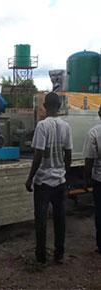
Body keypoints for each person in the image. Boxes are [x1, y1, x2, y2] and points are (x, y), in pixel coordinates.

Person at [25, 92, 73, 265]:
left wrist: (30, 178)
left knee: (41, 220)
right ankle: (59, 254)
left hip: (43, 182)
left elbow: (38, 154)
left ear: (45, 106)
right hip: (60, 181)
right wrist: (64, 174)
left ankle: (41, 257)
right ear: (59, 107)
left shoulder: (42, 126)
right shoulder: (66, 126)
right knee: (60, 220)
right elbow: (68, 154)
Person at [83, 105, 101, 253]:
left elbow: (89, 158)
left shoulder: (94, 132)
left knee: (99, 212)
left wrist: (86, 178)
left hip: (99, 179)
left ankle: (100, 245)